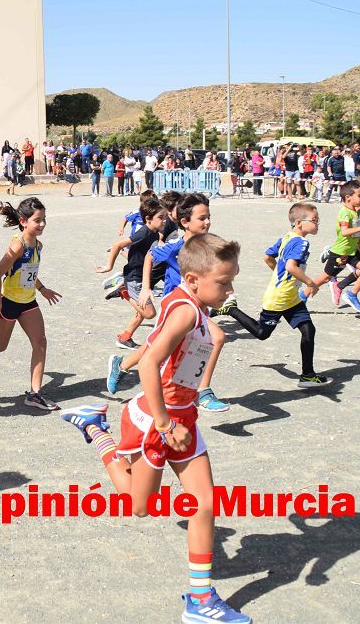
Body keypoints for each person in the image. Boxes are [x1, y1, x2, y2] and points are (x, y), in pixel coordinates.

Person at [61, 234, 251, 624]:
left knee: (206, 504)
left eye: (232, 281)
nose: (230, 289)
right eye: (224, 282)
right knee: (138, 506)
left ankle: (200, 600)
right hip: (155, 422)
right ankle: (96, 430)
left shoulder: (193, 303)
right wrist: (164, 425)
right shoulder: (184, 310)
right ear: (195, 279)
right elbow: (148, 364)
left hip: (184, 420)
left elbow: (169, 348)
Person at [107, 193, 231, 414]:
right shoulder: (175, 244)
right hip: (177, 304)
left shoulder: (208, 244)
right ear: (185, 223)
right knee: (217, 337)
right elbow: (150, 257)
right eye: (202, 218)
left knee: (154, 345)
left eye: (208, 217)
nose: (207, 222)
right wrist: (146, 288)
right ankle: (203, 391)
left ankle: (122, 365)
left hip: (198, 304)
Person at [216, 203, 333, 387]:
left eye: (318, 220)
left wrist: (279, 275)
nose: (318, 224)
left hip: (291, 296)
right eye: (314, 220)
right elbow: (290, 266)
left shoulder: (287, 237)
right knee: (262, 333)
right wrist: (310, 283)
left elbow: (268, 257)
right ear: (299, 223)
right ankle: (232, 309)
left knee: (308, 329)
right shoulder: (301, 242)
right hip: (280, 297)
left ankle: (308, 375)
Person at [0, 198, 62, 411]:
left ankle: (34, 394)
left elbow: (29, 272)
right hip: (8, 302)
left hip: (28, 302)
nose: (42, 224)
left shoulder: (38, 245)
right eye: (37, 220)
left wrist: (42, 288)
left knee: (40, 342)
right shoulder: (17, 245)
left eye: (44, 219)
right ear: (23, 221)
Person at [95, 198, 168, 350]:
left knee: (141, 310)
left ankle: (125, 337)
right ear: (148, 219)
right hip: (134, 277)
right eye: (161, 217)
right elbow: (118, 244)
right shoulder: (144, 233)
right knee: (149, 314)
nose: (164, 221)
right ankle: (124, 291)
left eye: (165, 217)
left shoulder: (154, 233)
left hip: (141, 275)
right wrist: (109, 266)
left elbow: (136, 255)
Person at [309, 181, 360, 312]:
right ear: (348, 198)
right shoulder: (345, 213)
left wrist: (358, 242)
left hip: (352, 252)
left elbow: (355, 231)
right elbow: (345, 232)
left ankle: (351, 294)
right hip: (340, 253)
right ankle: (302, 296)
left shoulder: (354, 211)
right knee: (325, 278)